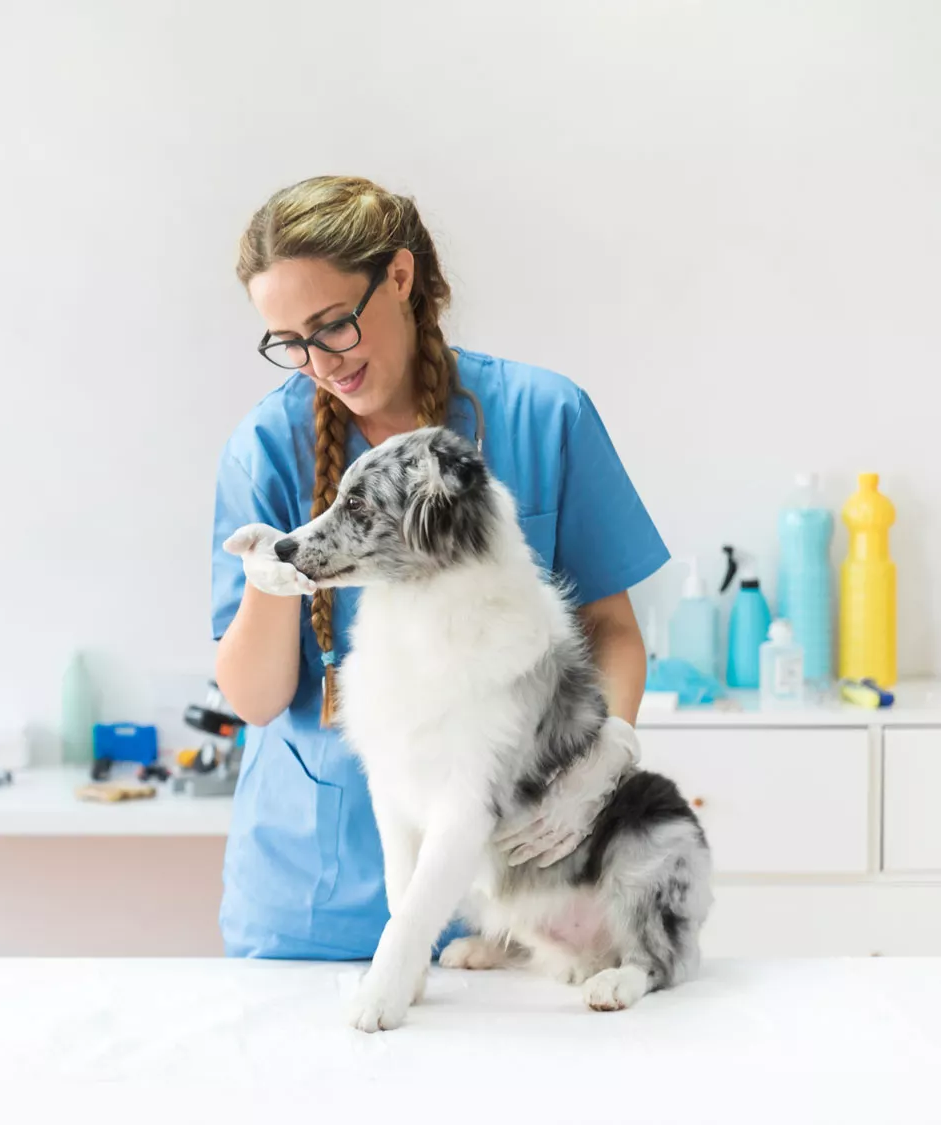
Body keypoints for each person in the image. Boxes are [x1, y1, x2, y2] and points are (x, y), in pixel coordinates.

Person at [211, 176, 667, 960]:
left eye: (332, 326)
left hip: (513, 907)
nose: (317, 363)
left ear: (398, 277)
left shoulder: (543, 416)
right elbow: (254, 698)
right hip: (312, 904)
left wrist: (608, 754)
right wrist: (278, 577)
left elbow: (611, 631)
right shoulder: (269, 445)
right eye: (289, 342)